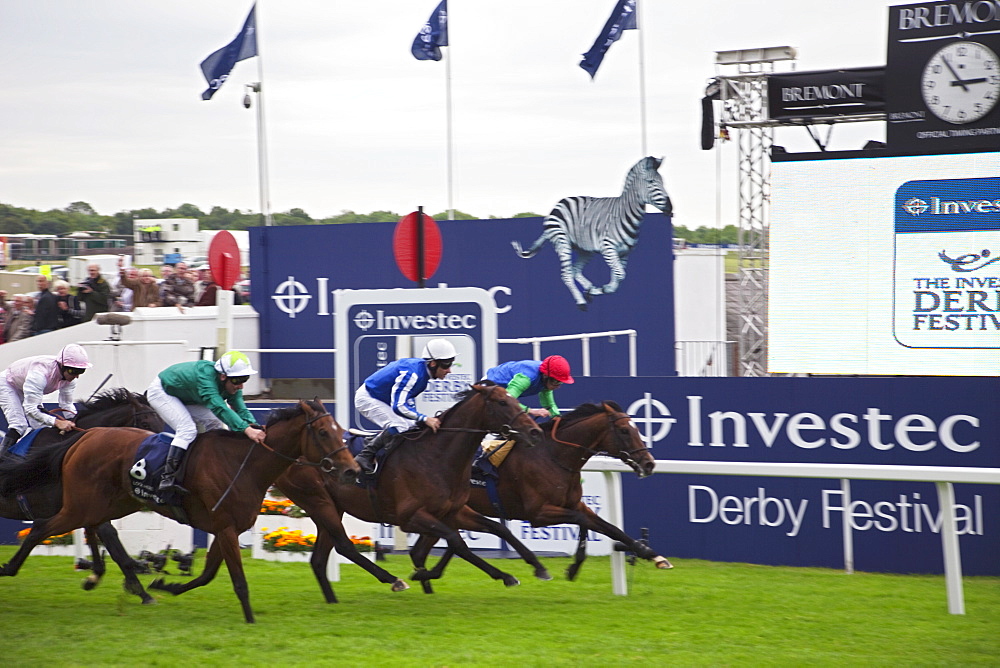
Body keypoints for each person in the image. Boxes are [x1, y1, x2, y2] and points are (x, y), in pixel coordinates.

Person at [145, 350, 266, 495]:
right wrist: (246, 430)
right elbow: (218, 407)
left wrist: (253, 425)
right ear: (223, 376)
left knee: (215, 424)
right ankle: (167, 478)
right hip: (162, 392)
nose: (241, 386)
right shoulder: (206, 379)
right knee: (187, 429)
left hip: (188, 396)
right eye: (237, 380)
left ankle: (208, 468)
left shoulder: (232, 383)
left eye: (244, 379)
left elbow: (240, 407)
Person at [353, 338, 456, 473]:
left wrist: (420, 420)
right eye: (446, 365)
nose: (449, 371)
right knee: (399, 426)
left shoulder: (423, 376)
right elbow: (399, 406)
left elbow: (406, 405)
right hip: (368, 398)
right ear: (432, 364)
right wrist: (425, 418)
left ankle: (376, 442)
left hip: (383, 399)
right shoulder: (413, 374)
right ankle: (364, 456)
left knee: (412, 428)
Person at [0, 343, 91, 455]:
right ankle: (2, 462)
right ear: (62, 366)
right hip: (7, 384)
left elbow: (66, 404)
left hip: (24, 385)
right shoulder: (39, 374)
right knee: (19, 425)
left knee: (42, 426)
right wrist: (57, 422)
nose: (77, 376)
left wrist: (75, 422)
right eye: (73, 371)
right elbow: (31, 409)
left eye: (81, 371)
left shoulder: (70, 379)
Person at [485, 355, 574, 418]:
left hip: (503, 395)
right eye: (556, 381)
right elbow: (507, 400)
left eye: (560, 382)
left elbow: (549, 404)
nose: (558, 386)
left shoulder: (546, 380)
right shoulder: (526, 378)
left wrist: (557, 417)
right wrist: (531, 411)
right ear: (545, 376)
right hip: (489, 387)